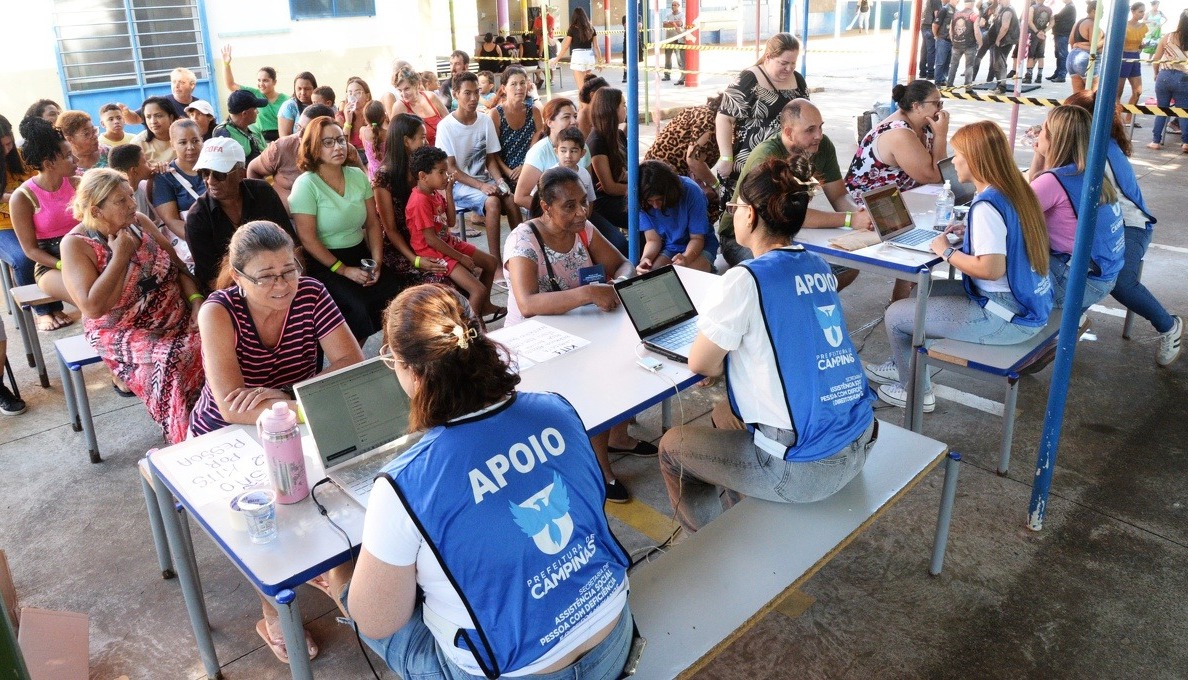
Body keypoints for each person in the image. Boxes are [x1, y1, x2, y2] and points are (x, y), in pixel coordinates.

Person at [335, 283, 634, 679]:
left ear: (408, 370)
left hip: (515, 671)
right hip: (613, 636)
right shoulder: (557, 410)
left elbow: (378, 624)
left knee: (355, 595)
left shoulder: (405, 483)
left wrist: (345, 582)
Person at [657, 157, 877, 534]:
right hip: (860, 439)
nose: (734, 213)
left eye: (737, 206)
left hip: (807, 470)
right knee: (723, 414)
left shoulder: (744, 279)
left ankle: (713, 547)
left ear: (752, 216)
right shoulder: (818, 265)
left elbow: (701, 363)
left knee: (672, 448)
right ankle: (747, 518)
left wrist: (716, 362)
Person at [864, 121, 1054, 412]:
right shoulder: (1014, 190)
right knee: (918, 297)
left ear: (976, 160)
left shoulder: (987, 206)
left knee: (895, 315)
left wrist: (946, 252)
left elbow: (991, 269)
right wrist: (971, 235)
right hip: (1024, 302)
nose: (953, 163)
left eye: (958, 155)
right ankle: (904, 367)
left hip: (1005, 316)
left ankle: (916, 392)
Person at [503, 167, 655, 502]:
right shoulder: (523, 241)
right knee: (596, 383)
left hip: (580, 332)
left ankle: (617, 436)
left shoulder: (584, 230)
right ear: (546, 206)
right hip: (530, 345)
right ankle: (600, 468)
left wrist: (619, 281)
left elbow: (622, 265)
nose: (581, 212)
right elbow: (527, 304)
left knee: (632, 360)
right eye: (569, 206)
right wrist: (587, 294)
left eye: (583, 203)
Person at [61, 168, 204, 444]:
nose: (132, 204)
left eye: (130, 196)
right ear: (96, 210)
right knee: (172, 361)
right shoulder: (77, 245)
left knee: (220, 337)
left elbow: (177, 268)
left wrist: (197, 302)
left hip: (175, 314)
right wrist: (120, 256)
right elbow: (92, 307)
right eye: (121, 200)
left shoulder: (138, 222)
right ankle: (186, 441)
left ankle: (217, 419)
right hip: (123, 330)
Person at [1064, 90, 1181, 365]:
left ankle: (1169, 326)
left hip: (1130, 224)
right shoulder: (1093, 144)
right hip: (1104, 222)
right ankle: (1070, 318)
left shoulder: (1093, 153)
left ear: (1080, 123)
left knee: (1119, 281)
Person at [723, 99, 871, 278]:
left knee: (848, 267)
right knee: (782, 277)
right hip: (744, 237)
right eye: (810, 130)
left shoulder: (823, 147)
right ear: (788, 132)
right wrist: (849, 219)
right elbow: (785, 212)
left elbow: (839, 195)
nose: (819, 135)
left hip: (787, 233)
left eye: (820, 127)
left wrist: (862, 215)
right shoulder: (766, 157)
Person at [290, 116, 403, 344]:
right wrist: (344, 271)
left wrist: (377, 262)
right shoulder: (306, 185)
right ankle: (354, 360)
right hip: (325, 262)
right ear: (313, 147)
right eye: (328, 142)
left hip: (360, 254)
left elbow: (372, 223)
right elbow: (308, 239)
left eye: (340, 140)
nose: (338, 147)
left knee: (396, 292)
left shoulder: (357, 176)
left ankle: (389, 351)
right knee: (357, 307)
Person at [1026, 105, 1124, 312]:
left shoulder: (1054, 181)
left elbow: (1010, 214)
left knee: (1003, 257)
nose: (1038, 134)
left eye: (1042, 130)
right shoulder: (1090, 172)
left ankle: (1023, 326)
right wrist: (1040, 155)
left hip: (1078, 284)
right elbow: (1034, 190)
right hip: (1103, 276)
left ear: (1055, 139)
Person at [405, 146, 503, 325]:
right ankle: (469, 329)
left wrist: (448, 192)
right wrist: (461, 258)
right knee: (477, 290)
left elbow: (450, 222)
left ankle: (485, 306)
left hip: (447, 242)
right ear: (422, 176)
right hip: (432, 252)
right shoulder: (419, 201)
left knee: (491, 263)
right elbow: (430, 239)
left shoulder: (434, 193)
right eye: (441, 172)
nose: (446, 176)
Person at [186, 138, 293, 293]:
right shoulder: (197, 218)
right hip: (233, 290)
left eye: (219, 174)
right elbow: (211, 279)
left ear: (241, 173)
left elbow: (290, 243)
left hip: (279, 274)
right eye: (204, 173)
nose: (210, 181)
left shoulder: (263, 192)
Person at [712, 33, 810, 197]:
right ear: (769, 57)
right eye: (783, 63)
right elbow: (724, 118)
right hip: (751, 162)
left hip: (787, 162)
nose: (789, 68)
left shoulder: (798, 80)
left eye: (793, 63)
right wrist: (726, 158)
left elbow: (806, 115)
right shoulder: (749, 79)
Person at [437, 71, 520, 263]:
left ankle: (520, 255)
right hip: (458, 185)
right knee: (492, 202)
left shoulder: (484, 120)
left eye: (477, 92)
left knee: (510, 199)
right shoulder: (446, 126)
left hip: (484, 180)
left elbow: (490, 159)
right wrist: (482, 186)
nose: (474, 98)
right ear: (456, 93)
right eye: (467, 93)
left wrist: (500, 181)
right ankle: (495, 262)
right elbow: (451, 169)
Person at [10, 117, 78, 332]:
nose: (75, 159)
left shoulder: (78, 183)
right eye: (68, 156)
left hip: (85, 252)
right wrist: (62, 265)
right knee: (85, 294)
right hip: (50, 264)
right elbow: (30, 250)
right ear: (49, 164)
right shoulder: (23, 197)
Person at [372, 113, 451, 287]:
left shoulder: (421, 170)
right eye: (422, 138)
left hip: (427, 238)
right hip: (402, 248)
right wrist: (415, 260)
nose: (427, 142)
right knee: (442, 283)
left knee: (467, 268)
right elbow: (390, 229)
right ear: (406, 141)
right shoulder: (383, 177)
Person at [845, 80, 948, 203]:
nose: (940, 109)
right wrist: (941, 135)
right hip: (873, 206)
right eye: (936, 104)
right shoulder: (899, 133)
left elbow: (942, 171)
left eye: (941, 103)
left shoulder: (924, 124)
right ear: (916, 106)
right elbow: (933, 176)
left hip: (900, 199)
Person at [247, 104, 363, 211]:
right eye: (299, 127)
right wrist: (267, 207)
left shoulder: (344, 151)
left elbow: (360, 187)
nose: (300, 135)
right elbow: (253, 169)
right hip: (289, 223)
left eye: (308, 131)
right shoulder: (283, 147)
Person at [644, 93, 723, 217]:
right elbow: (694, 161)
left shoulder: (704, 112)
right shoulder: (708, 121)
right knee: (713, 201)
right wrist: (717, 186)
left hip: (671, 171)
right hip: (663, 176)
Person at [636, 160, 718, 273]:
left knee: (687, 277)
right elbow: (652, 240)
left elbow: (697, 238)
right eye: (650, 201)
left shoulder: (691, 191)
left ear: (669, 192)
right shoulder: (641, 201)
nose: (655, 206)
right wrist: (646, 258)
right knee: (652, 276)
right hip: (672, 246)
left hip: (701, 245)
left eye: (659, 200)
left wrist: (686, 258)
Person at [0, 115, 38, 331]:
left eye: (9, 143)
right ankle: (39, 311)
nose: (7, 150)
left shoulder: (22, 157)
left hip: (31, 218)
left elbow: (36, 183)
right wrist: (10, 198)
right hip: (3, 227)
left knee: (57, 248)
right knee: (23, 259)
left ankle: (51, 306)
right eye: (1, 146)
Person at [219, 46, 289, 143]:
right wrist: (226, 64)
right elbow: (231, 85)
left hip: (282, 139)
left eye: (265, 80)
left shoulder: (286, 99)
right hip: (260, 139)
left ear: (274, 82)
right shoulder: (254, 94)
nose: (261, 84)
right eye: (259, 80)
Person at [489, 66, 543, 191]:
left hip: (531, 166)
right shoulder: (496, 114)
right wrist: (507, 172)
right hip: (506, 171)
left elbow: (538, 146)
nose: (519, 88)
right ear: (504, 88)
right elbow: (493, 152)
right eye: (513, 84)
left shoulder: (534, 111)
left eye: (522, 83)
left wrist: (525, 166)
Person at [151, 119, 205, 241]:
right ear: (172, 145)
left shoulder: (214, 168)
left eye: (195, 141)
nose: (190, 147)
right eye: (182, 142)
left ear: (202, 140)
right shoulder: (164, 176)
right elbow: (171, 220)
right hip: (193, 241)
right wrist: (202, 241)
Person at [586, 87, 630, 235]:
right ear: (612, 109)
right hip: (605, 202)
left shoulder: (618, 134)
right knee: (647, 213)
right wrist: (638, 190)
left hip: (622, 193)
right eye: (623, 105)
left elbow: (626, 171)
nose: (625, 108)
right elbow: (609, 187)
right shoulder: (596, 141)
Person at [1149, 10, 1188, 152]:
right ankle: (1185, 143)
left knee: (1162, 109)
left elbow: (1156, 59)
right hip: (1184, 78)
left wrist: (1155, 74)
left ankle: (1155, 141)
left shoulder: (1168, 37)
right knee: (1183, 111)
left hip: (1164, 76)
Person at [389, 67, 448, 146]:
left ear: (416, 85)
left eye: (407, 89)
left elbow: (449, 121)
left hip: (444, 152)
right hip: (420, 157)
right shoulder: (399, 107)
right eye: (400, 90)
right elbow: (394, 139)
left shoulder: (431, 97)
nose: (403, 94)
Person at [119, 67, 201, 123]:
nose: (176, 86)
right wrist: (126, 113)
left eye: (181, 82)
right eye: (174, 82)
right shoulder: (161, 102)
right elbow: (136, 118)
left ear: (192, 85)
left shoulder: (200, 105)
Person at [551, 7, 603, 91]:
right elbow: (596, 47)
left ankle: (584, 103)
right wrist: (600, 61)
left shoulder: (572, 29)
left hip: (578, 57)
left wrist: (556, 59)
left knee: (582, 89)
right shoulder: (591, 28)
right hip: (589, 57)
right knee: (588, 87)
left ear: (574, 17)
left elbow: (565, 47)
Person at [213, 90, 268, 165]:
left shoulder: (253, 128)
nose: (257, 112)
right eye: (255, 109)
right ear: (244, 113)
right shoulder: (223, 134)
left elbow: (266, 151)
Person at [109, 143, 156, 223]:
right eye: (145, 162)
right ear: (134, 171)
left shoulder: (145, 186)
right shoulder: (116, 201)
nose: (150, 164)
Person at [1118, 3, 1148, 126]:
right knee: (1118, 92)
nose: (1142, 14)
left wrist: (1143, 46)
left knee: (1138, 91)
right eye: (1140, 11)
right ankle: (1117, 118)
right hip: (1124, 57)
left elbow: (1141, 44)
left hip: (1135, 57)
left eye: (1143, 11)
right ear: (1133, 11)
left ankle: (1129, 119)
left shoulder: (1144, 27)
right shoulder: (1124, 25)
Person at [131, 96, 179, 167]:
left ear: (171, 118)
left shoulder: (184, 136)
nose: (153, 121)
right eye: (148, 117)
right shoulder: (138, 144)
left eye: (159, 116)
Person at [948, 0, 986, 86]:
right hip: (970, 45)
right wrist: (980, 43)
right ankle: (968, 87)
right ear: (972, 4)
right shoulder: (974, 15)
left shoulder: (955, 14)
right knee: (969, 67)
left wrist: (953, 41)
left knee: (953, 65)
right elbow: (977, 31)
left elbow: (950, 30)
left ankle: (949, 84)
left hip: (956, 44)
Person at [1067, 0, 1101, 94]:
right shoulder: (1092, 24)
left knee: (1078, 96)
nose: (1102, 14)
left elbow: (1071, 41)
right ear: (1094, 11)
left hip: (1072, 58)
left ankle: (1077, 109)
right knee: (1092, 94)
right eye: (1101, 11)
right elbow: (1095, 46)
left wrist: (1079, 45)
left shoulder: (1078, 23)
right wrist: (1106, 39)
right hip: (1086, 58)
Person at [337, 77, 374, 158]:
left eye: (357, 93)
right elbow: (342, 145)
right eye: (350, 93)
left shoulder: (374, 113)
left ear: (367, 96)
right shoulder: (340, 117)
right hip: (352, 157)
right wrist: (348, 121)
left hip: (372, 155)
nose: (353, 96)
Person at [988, 0, 1020, 89]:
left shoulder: (1008, 11)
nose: (998, 1)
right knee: (998, 63)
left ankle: (1002, 86)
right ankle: (999, 84)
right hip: (1003, 40)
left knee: (1000, 63)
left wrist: (998, 39)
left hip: (1005, 41)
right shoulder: (1003, 9)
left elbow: (1005, 27)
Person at [277, 71, 317, 138]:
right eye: (299, 88)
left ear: (314, 88)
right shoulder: (289, 106)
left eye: (307, 89)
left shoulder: (321, 103)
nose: (303, 92)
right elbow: (285, 139)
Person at [1022, 0, 1052, 84]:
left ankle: (1028, 77)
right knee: (1041, 56)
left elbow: (1029, 21)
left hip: (1034, 34)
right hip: (1042, 34)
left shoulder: (1033, 8)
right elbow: (1052, 22)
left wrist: (1037, 32)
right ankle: (1039, 76)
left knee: (1031, 55)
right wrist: (1044, 31)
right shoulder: (1049, 9)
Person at [360, 100, 387, 183]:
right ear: (384, 117)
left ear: (365, 118)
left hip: (372, 175)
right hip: (387, 173)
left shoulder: (363, 131)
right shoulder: (388, 134)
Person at [1048, 0, 1076, 82]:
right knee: (1058, 55)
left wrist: (1051, 15)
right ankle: (1057, 73)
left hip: (1063, 34)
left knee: (1062, 55)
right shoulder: (1068, 7)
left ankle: (1061, 75)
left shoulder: (1069, 7)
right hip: (1060, 34)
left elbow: (1057, 17)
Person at [663, 1, 687, 85]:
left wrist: (670, 23)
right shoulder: (668, 15)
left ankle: (683, 77)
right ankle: (667, 75)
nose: (673, 6)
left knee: (680, 59)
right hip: (669, 40)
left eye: (675, 5)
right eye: (672, 5)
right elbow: (664, 24)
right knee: (667, 59)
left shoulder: (682, 15)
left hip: (678, 40)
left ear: (679, 6)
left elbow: (680, 23)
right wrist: (674, 23)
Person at [934, 0, 956, 84]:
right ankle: (938, 81)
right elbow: (935, 25)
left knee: (947, 62)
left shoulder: (956, 11)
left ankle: (943, 79)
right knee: (940, 62)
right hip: (942, 39)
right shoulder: (944, 9)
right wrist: (936, 36)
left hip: (951, 41)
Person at [922, 0, 942, 79]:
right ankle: (930, 73)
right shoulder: (936, 1)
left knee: (924, 49)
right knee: (931, 51)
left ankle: (922, 71)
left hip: (924, 26)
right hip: (930, 26)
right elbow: (937, 15)